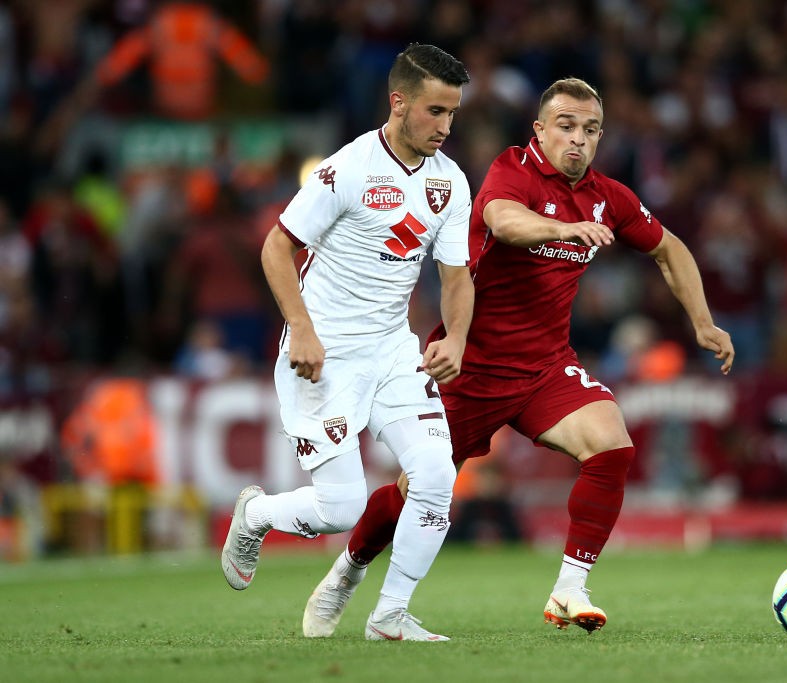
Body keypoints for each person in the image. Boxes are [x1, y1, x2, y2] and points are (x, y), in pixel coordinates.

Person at [301, 77, 734, 639]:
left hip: (545, 366)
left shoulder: (607, 194)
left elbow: (669, 249)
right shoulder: (513, 169)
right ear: (540, 129)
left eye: (591, 130)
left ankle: (570, 589)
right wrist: (563, 227)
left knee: (611, 442)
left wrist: (702, 321)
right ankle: (346, 572)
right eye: (566, 126)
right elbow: (503, 220)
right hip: (469, 364)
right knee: (417, 492)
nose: (578, 140)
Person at [220, 43, 474, 643]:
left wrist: (457, 337)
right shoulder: (347, 169)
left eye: (453, 114)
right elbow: (275, 248)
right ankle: (255, 514)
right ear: (399, 102)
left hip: (392, 351)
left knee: (437, 473)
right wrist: (302, 330)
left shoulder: (450, 181)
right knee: (342, 509)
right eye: (435, 111)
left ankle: (389, 617)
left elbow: (457, 275)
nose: (445, 126)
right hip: (324, 357)